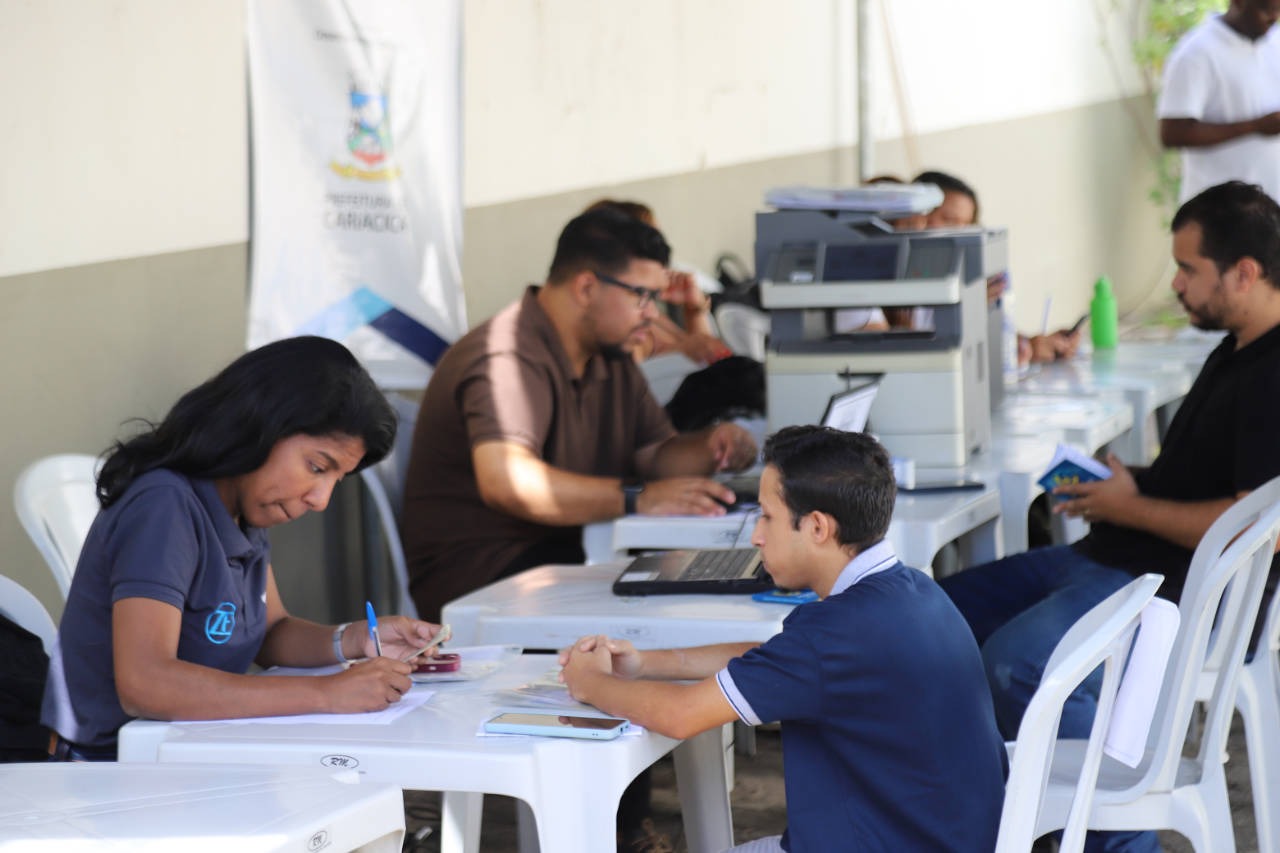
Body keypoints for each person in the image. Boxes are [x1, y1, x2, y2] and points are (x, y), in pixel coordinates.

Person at [940, 180, 1280, 853]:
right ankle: (980, 818)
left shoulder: (1273, 370)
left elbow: (1250, 525)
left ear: (1245, 272)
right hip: (1116, 555)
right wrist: (1129, 483)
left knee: (1017, 667)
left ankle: (1118, 835)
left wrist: (1131, 504)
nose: (1176, 284)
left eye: (1188, 269)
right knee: (928, 620)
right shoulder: (1234, 345)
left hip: (1170, 590)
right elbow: (1203, 478)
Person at [559, 425, 1006, 853]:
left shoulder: (833, 635)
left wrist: (589, 682)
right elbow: (771, 660)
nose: (755, 536)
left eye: (767, 517)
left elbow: (679, 716)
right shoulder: (910, 589)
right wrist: (643, 663)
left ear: (816, 527)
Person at [41, 336, 445, 761]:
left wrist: (358, 638)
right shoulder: (164, 506)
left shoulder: (242, 508)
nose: (320, 499)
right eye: (316, 467)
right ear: (261, 426)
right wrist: (326, 692)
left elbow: (270, 634)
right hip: (112, 771)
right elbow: (146, 684)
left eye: (335, 480)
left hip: (193, 753)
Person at [401, 208, 758, 625]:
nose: (652, 314)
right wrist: (637, 497)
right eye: (641, 296)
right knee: (693, 616)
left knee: (725, 589)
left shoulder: (609, 351)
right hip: (488, 581)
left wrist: (713, 447)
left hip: (573, 554)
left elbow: (655, 453)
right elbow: (508, 482)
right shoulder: (505, 356)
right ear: (587, 287)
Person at [1157, 0, 1280, 203]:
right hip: (1221, 214)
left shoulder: (1274, 42)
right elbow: (1173, 133)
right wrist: (1254, 126)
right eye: (1264, 8)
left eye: (1278, 9)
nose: (1273, 17)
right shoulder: (1196, 53)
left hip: (1270, 210)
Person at [584, 198, 733, 365]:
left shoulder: (648, 310)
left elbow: (709, 359)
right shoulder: (618, 321)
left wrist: (694, 311)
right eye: (651, 243)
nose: (659, 252)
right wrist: (681, 353)